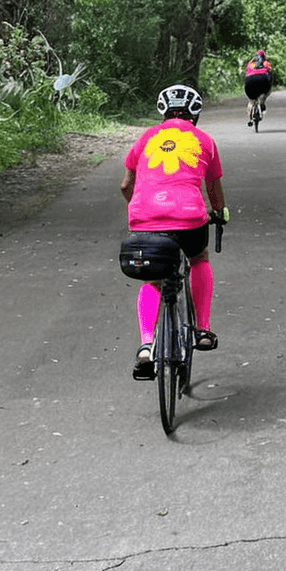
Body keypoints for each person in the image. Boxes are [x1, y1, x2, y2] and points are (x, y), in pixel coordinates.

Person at [121, 84, 227, 380]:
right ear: (195, 112)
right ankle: (203, 329)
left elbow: (125, 185)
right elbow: (213, 188)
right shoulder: (204, 140)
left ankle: (145, 347)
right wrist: (219, 212)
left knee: (153, 279)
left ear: (162, 110)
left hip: (144, 218)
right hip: (188, 219)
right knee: (199, 259)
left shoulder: (145, 138)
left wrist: (139, 208)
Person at [244, 49, 273, 124]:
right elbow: (270, 71)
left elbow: (246, 72)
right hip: (263, 80)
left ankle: (250, 111)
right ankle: (262, 102)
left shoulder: (251, 63)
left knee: (251, 100)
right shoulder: (266, 63)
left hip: (250, 80)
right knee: (267, 91)